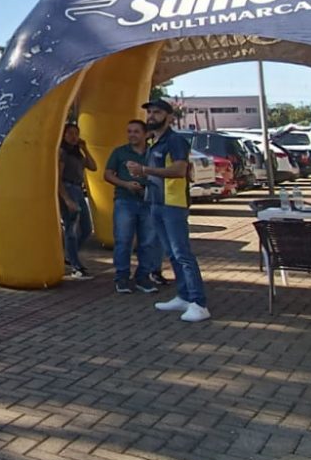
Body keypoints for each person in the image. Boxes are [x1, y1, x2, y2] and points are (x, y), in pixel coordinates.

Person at [126, 99, 211, 322]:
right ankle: (184, 295)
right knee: (172, 253)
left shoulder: (175, 141)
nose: (151, 116)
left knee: (182, 253)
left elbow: (179, 169)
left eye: (157, 112)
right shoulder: (155, 142)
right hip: (156, 201)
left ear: (169, 116)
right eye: (150, 112)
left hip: (173, 203)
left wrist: (144, 169)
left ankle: (198, 302)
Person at [104, 120, 159, 295]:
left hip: (148, 200)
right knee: (123, 240)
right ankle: (122, 277)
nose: (132, 135)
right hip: (125, 200)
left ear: (145, 134)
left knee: (148, 241)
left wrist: (147, 185)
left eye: (136, 131)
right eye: (129, 131)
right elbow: (107, 174)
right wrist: (125, 184)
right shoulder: (120, 152)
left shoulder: (153, 153)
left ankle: (143, 276)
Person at [59, 123, 97, 280]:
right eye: (70, 133)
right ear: (64, 135)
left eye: (76, 133)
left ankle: (70, 254)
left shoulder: (77, 153)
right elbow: (58, 178)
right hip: (68, 188)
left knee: (86, 228)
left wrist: (85, 148)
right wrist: (66, 199)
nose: (73, 137)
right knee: (71, 228)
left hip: (78, 189)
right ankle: (76, 266)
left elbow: (93, 167)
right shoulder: (62, 153)